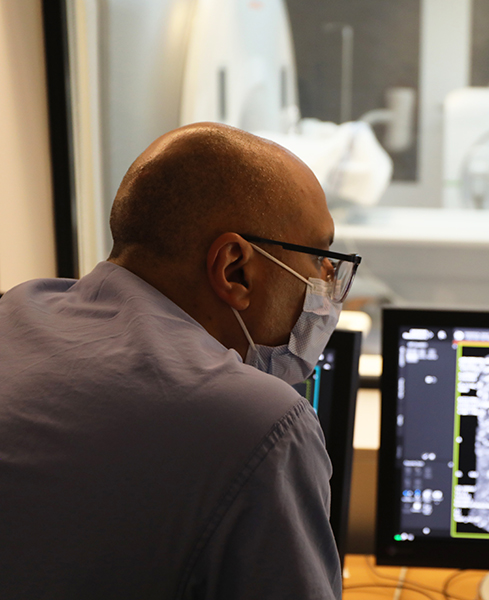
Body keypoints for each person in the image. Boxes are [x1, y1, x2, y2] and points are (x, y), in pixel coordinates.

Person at [0, 122, 361, 598]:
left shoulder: (15, 309)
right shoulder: (261, 425)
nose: (327, 283)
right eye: (319, 259)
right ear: (235, 268)